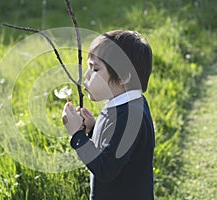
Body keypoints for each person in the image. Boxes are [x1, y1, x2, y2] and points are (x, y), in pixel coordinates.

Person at [62, 30, 155, 200]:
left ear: (123, 77)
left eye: (95, 69)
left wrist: (77, 136)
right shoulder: (127, 105)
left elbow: (105, 168)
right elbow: (115, 147)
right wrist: (93, 129)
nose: (87, 75)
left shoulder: (130, 118)